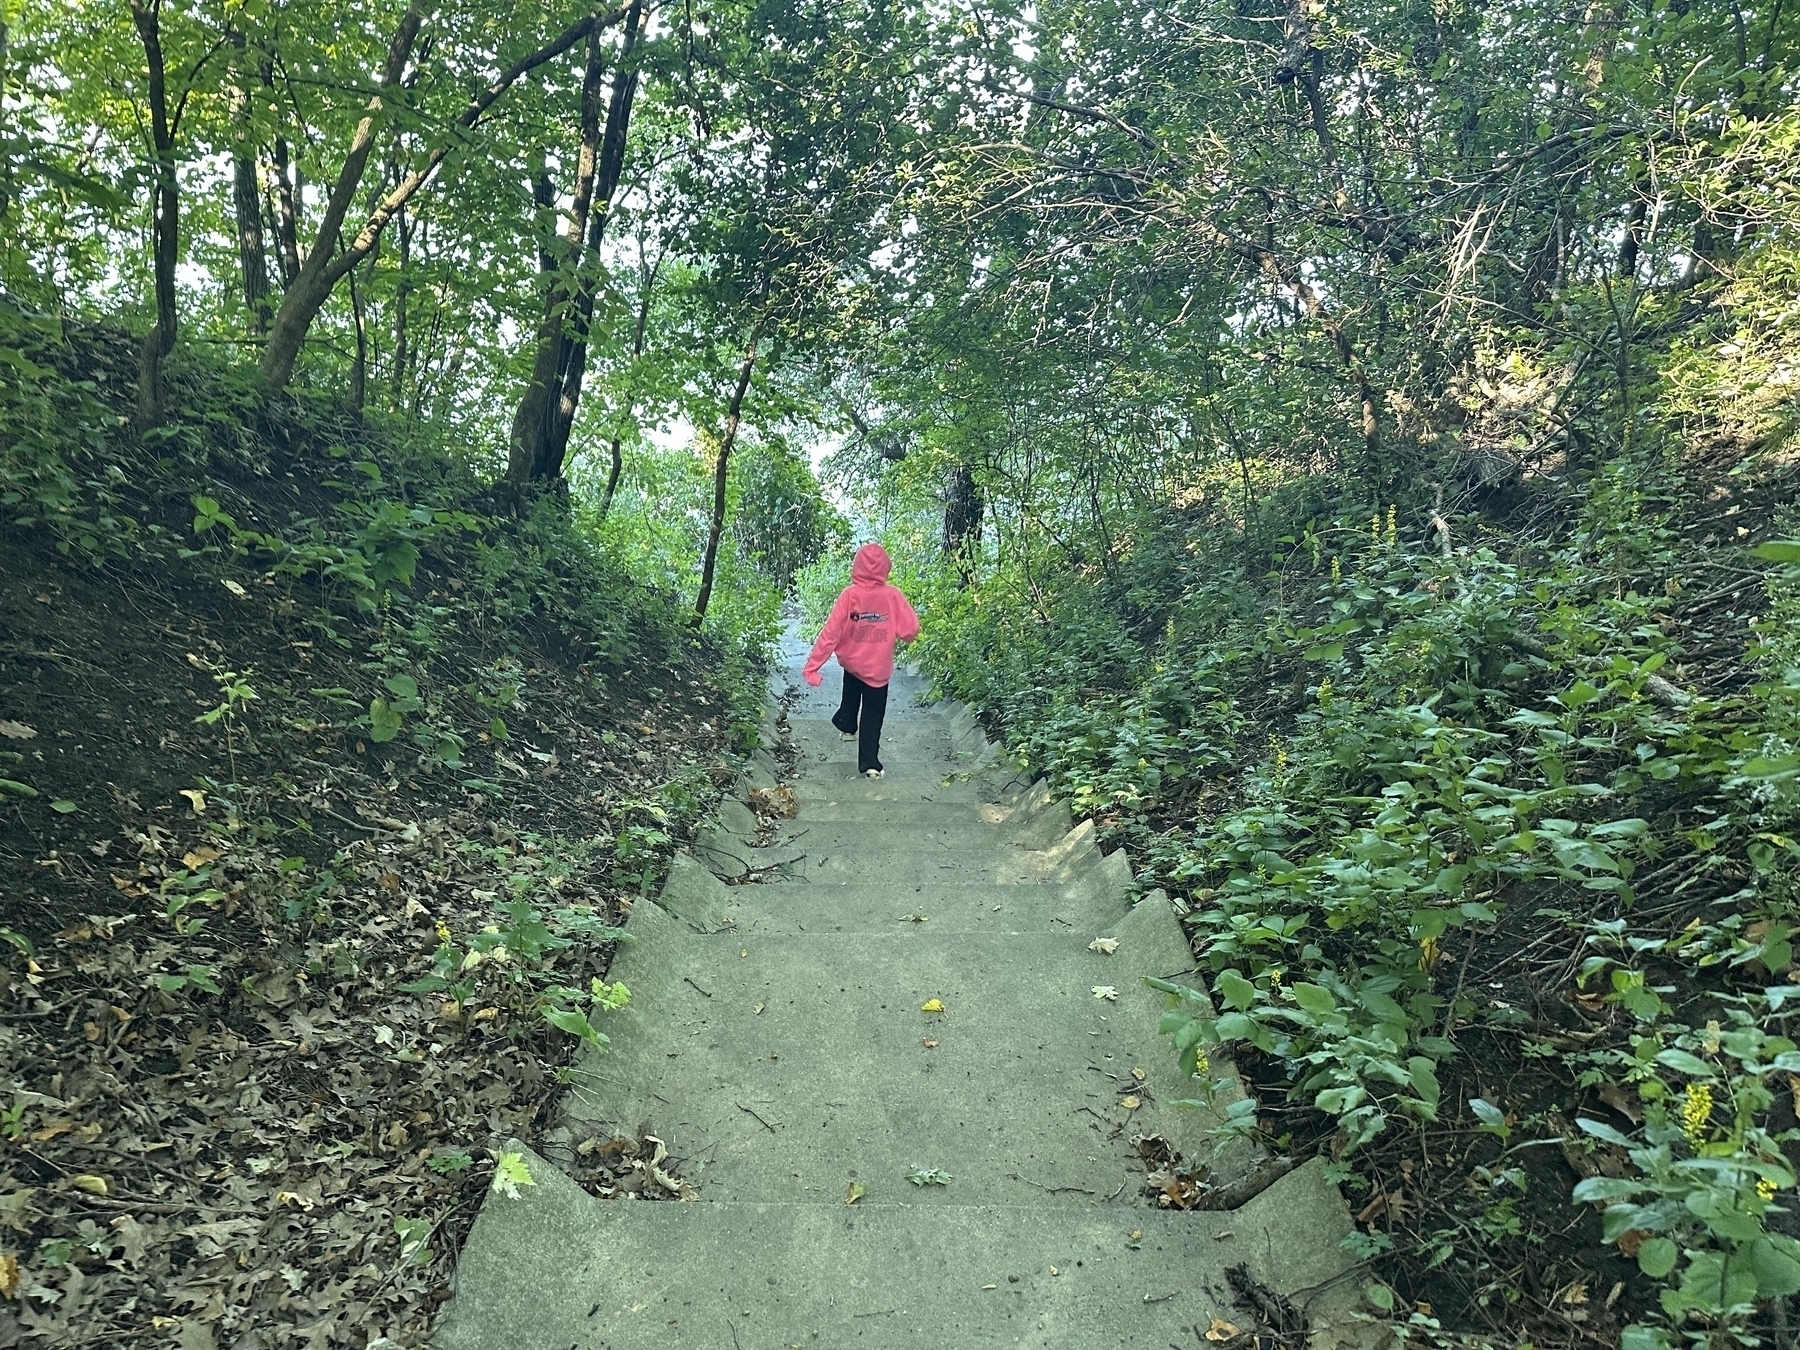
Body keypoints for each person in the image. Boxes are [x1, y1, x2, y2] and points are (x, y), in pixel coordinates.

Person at [802, 543, 919, 778]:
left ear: (856, 567)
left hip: (853, 663)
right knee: (873, 714)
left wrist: (812, 667)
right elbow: (910, 630)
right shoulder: (892, 596)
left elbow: (831, 632)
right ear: (886, 567)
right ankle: (870, 764)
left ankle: (846, 725)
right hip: (878, 668)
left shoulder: (849, 595)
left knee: (851, 693)